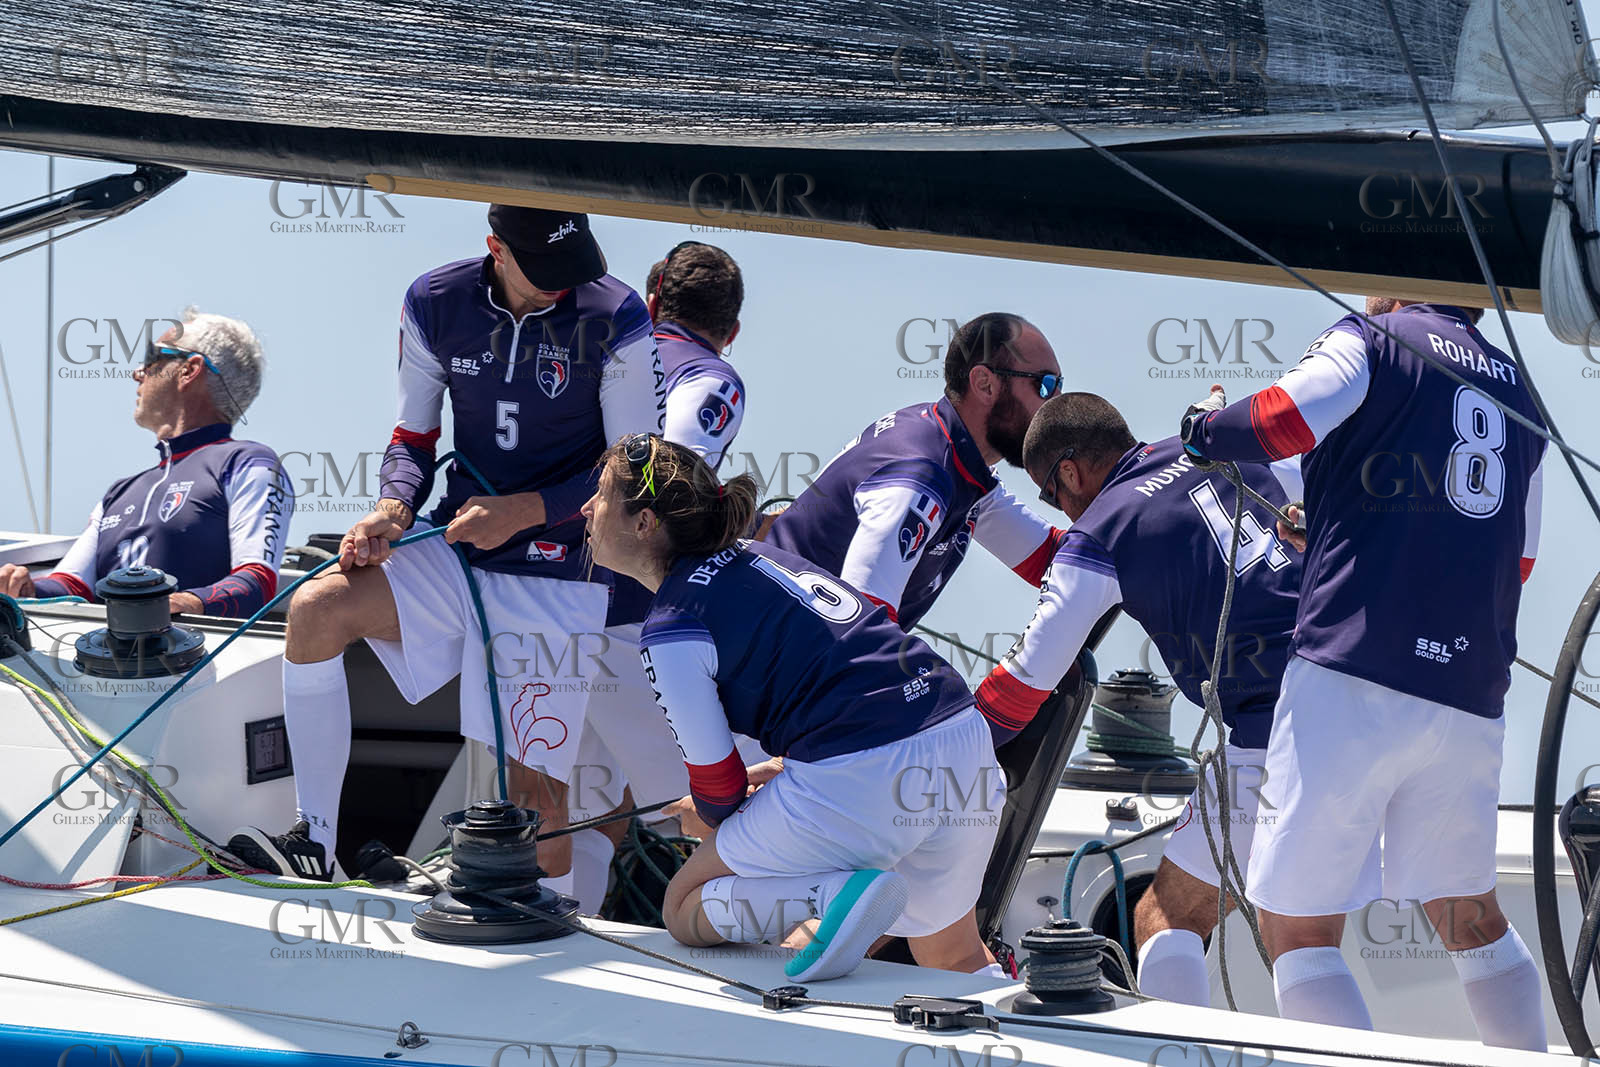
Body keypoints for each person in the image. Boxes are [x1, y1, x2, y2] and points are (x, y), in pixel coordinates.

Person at [228, 205, 665, 886]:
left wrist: (522, 511)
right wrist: (393, 510)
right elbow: (413, 437)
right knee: (317, 609)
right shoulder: (434, 300)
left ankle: (537, 947)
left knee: (537, 814)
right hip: (463, 545)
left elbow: (631, 469)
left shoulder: (618, 314)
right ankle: (312, 839)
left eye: (572, 268)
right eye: (545, 270)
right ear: (496, 249)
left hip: (560, 572)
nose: (562, 285)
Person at [1178, 299, 1546, 1049]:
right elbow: (1519, 557)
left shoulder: (1373, 336)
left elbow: (1281, 417)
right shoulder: (1522, 391)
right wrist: (1349, 520)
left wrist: (1202, 427)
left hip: (1352, 679)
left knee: (1299, 928)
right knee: (1469, 916)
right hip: (1470, 693)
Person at [580, 434, 1005, 981]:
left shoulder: (670, 627)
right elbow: (847, 670)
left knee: (684, 905)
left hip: (863, 773)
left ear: (643, 524)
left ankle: (833, 895)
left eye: (601, 495)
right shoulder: (759, 556)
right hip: (960, 736)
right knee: (952, 954)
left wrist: (704, 820)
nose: (587, 508)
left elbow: (718, 786)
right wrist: (784, 771)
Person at [980, 391, 1301, 1006]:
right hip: (1373, 687)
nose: (1062, 510)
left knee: (1168, 916)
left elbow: (1023, 687)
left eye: (1053, 495)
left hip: (1277, 734)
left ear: (1070, 472)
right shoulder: (1225, 448)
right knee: (1456, 914)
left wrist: (939, 742)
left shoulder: (1100, 532)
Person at [555, 240, 757, 908]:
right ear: (729, 332)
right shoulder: (714, 377)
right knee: (724, 806)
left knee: (579, 801)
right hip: (622, 614)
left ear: (651, 301)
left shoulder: (603, 348)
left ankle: (554, 945)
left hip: (545, 602)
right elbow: (669, 478)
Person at [765, 312, 1066, 629]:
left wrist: (1116, 514)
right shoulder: (920, 474)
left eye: (1060, 386)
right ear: (985, 384)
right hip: (758, 661)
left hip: (789, 654)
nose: (1056, 404)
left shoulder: (960, 462)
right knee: (938, 679)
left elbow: (1057, 560)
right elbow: (859, 622)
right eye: (1044, 386)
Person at [0, 310, 292, 617]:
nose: (137, 372)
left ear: (189, 370)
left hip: (196, 659)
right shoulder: (119, 493)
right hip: (100, 659)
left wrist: (186, 603)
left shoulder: (250, 463)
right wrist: (23, 588)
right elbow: (73, 587)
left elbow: (257, 584)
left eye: (153, 357)